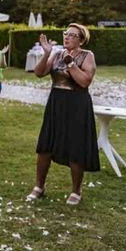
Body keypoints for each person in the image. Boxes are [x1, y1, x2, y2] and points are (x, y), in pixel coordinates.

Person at [27, 24, 99, 206]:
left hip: (77, 105)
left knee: (76, 146)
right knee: (45, 144)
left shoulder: (87, 55)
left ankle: (76, 190)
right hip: (56, 103)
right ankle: (39, 186)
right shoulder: (57, 53)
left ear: (81, 39)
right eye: (66, 34)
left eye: (73, 35)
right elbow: (39, 72)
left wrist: (71, 64)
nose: (67, 37)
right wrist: (46, 53)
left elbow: (84, 82)